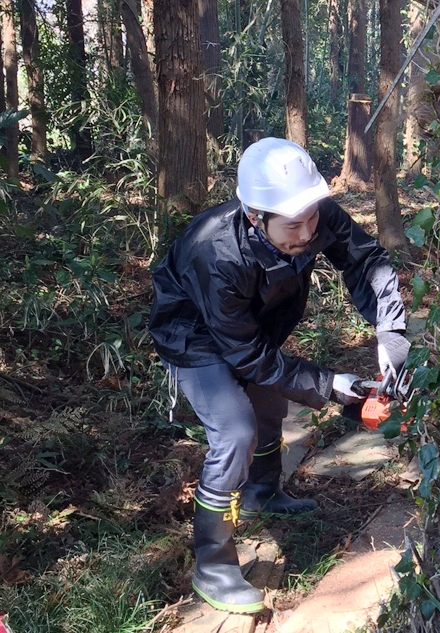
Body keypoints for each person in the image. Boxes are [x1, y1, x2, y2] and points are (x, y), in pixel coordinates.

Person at [149, 137, 410, 613]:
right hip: (194, 334)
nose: (309, 232)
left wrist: (390, 329)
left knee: (270, 404)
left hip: (253, 328)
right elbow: (248, 355)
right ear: (254, 215)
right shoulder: (216, 253)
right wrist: (332, 384)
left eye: (314, 218)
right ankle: (213, 565)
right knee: (234, 430)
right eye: (294, 225)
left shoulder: (307, 211)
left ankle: (262, 491)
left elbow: (364, 258)